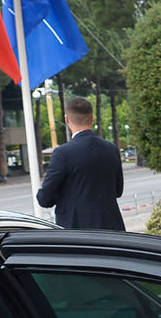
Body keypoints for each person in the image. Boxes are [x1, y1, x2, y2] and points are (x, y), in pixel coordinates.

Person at [35, 97, 125, 230]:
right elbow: (118, 191)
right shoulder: (111, 149)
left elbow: (44, 199)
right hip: (112, 229)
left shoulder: (63, 153)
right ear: (92, 118)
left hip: (78, 233)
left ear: (67, 119)